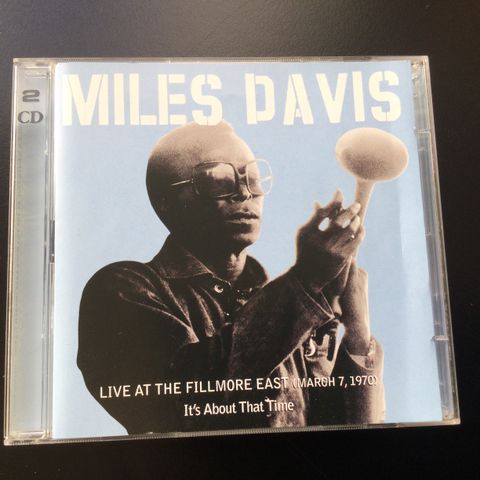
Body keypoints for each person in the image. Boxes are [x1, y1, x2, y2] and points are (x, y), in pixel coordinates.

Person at [77, 121, 384, 434]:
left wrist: (357, 332)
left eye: (253, 179)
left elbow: (341, 439)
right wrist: (304, 283)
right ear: (165, 202)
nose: (245, 193)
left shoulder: (293, 308)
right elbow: (185, 398)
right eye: (218, 180)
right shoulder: (120, 290)